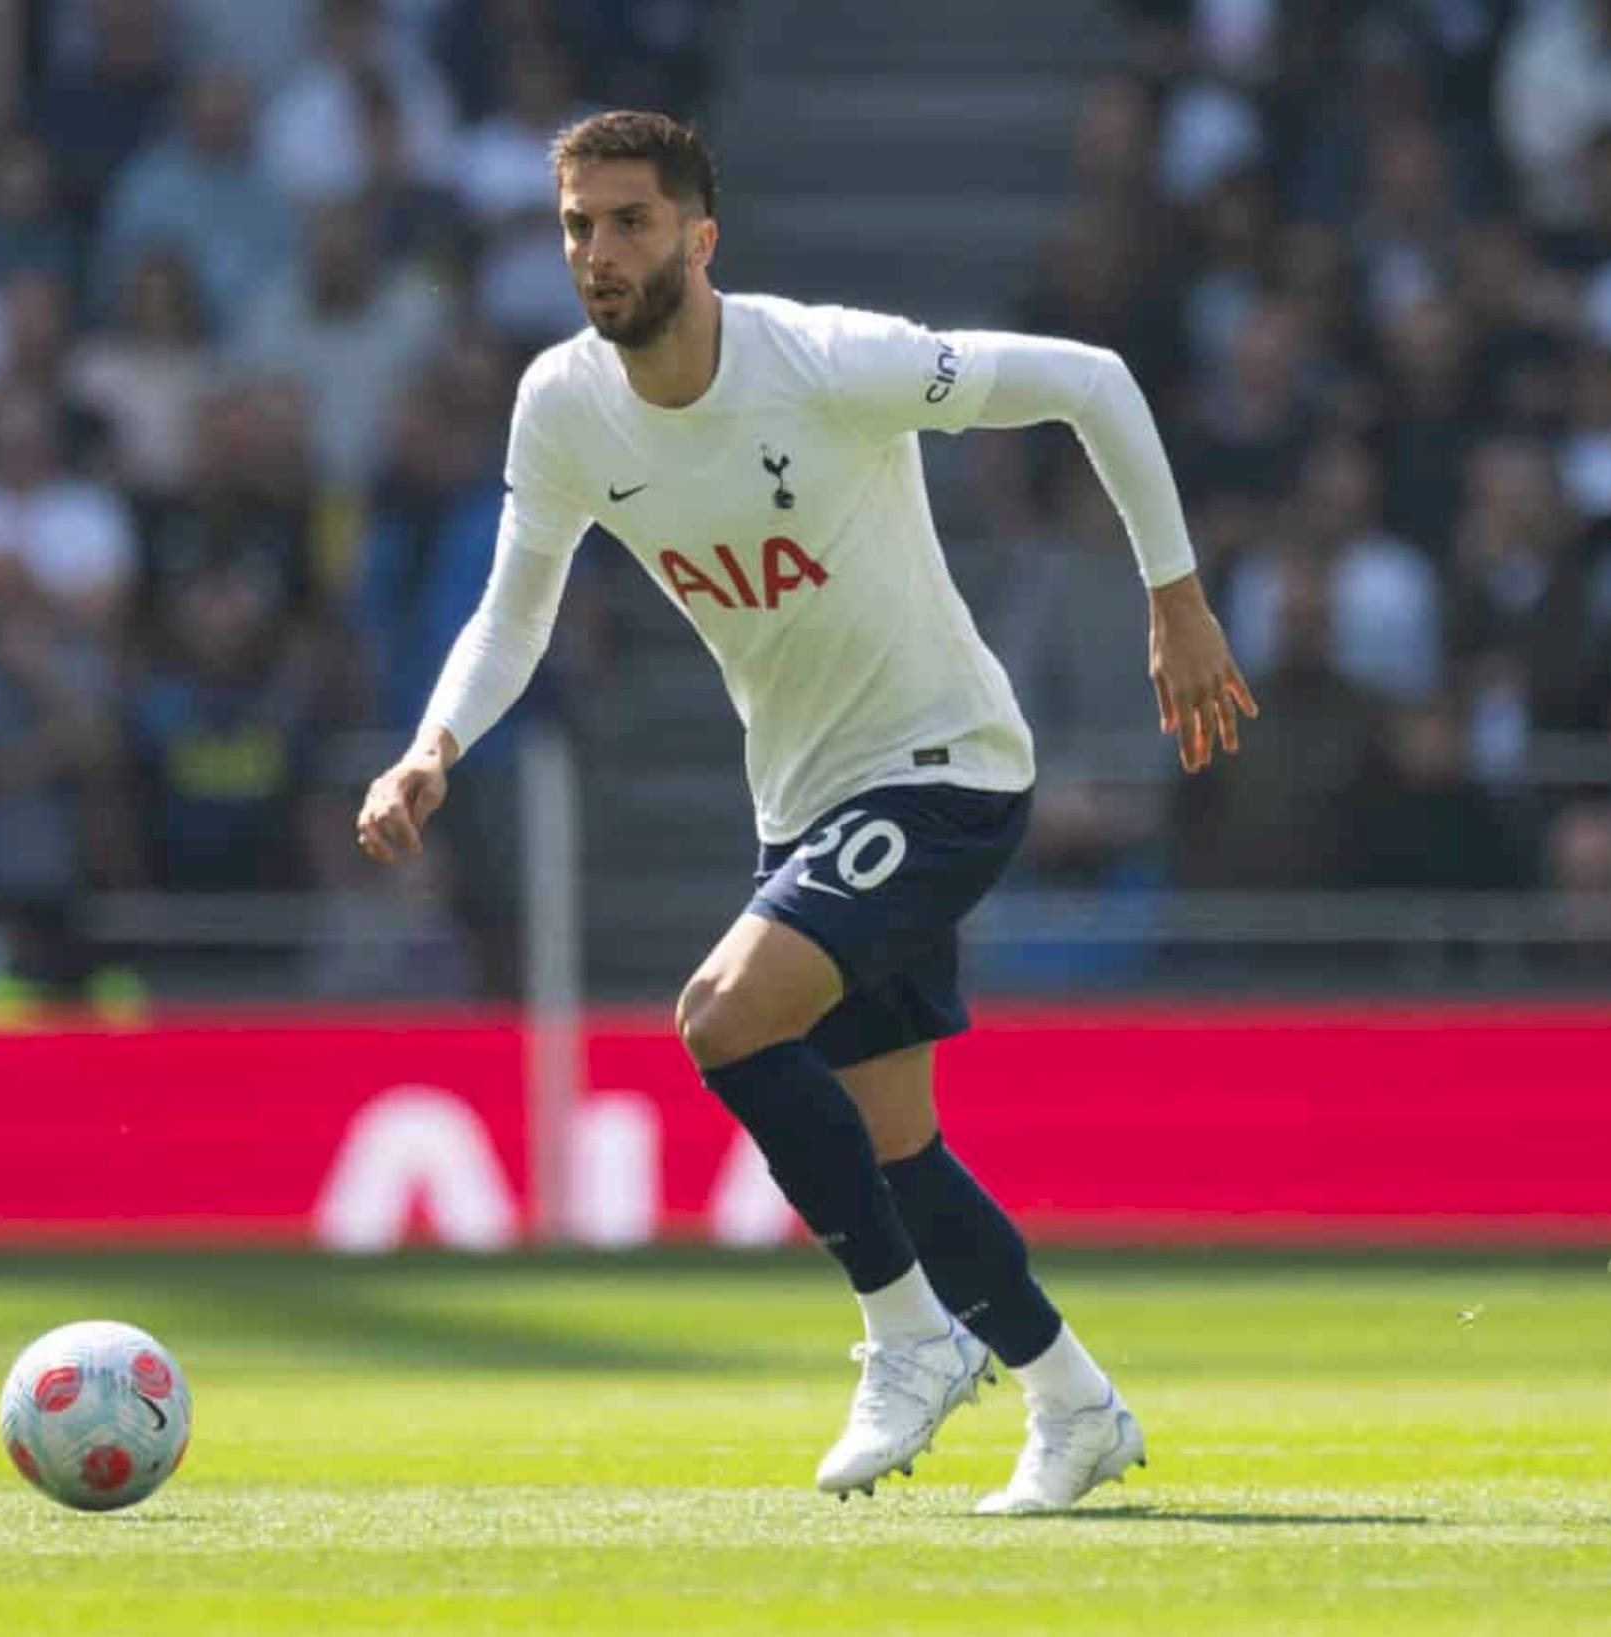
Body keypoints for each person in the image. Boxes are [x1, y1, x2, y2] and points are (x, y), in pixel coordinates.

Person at [355, 111, 1258, 1513]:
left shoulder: (828, 361)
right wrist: (433, 748)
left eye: (633, 220)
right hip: (807, 799)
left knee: (722, 1016)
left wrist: (1178, 593)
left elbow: (1095, 378)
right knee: (901, 1144)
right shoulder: (564, 403)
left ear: (701, 237)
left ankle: (907, 1336)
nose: (600, 251)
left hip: (946, 767)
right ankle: (1073, 1400)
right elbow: (511, 609)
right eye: (579, 225)